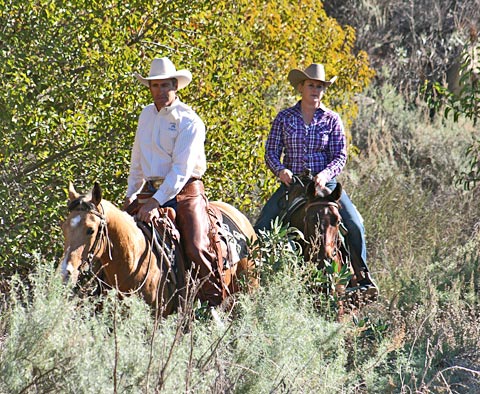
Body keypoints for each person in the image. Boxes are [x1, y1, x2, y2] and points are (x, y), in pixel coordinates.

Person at [254, 63, 378, 296]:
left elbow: (340, 155)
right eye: (311, 85)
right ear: (301, 87)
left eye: (320, 86)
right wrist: (281, 170)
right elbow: (271, 152)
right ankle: (261, 282)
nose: (315, 90)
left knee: (355, 224)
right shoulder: (284, 117)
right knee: (261, 227)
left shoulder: (332, 119)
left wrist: (325, 174)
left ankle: (362, 278)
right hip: (294, 185)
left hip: (325, 186)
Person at [123, 57, 224, 307]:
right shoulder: (146, 115)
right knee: (112, 236)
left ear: (175, 86)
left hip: (185, 191)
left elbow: (181, 169)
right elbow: (137, 159)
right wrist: (131, 194)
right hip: (149, 191)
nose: (159, 91)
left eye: (165, 85)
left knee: (196, 246)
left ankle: (212, 306)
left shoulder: (189, 120)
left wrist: (155, 202)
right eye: (155, 86)